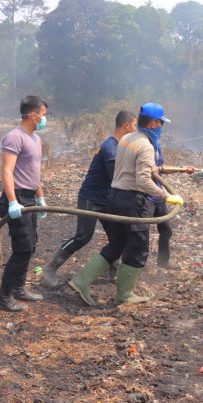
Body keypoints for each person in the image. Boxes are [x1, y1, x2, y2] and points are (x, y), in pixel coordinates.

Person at [69, 103, 184, 305]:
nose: (161, 128)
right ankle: (124, 294)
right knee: (139, 247)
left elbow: (137, 168)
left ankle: (81, 281)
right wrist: (166, 196)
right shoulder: (146, 146)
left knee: (118, 243)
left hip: (115, 197)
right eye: (161, 124)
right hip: (133, 201)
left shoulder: (127, 139)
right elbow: (144, 180)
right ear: (154, 123)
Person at [43, 110, 137, 287]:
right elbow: (117, 176)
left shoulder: (121, 146)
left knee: (117, 237)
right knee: (83, 237)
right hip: (91, 198)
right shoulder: (110, 147)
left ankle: (113, 269)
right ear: (126, 126)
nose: (135, 129)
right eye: (134, 125)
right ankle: (51, 267)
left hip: (108, 198)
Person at [0, 95, 48, 312]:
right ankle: (3, 297)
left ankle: (18, 288)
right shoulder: (14, 138)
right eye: (43, 115)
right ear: (33, 115)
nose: (45, 119)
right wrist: (13, 202)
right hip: (16, 198)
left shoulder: (36, 139)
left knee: (31, 245)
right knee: (22, 249)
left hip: (29, 197)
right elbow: (7, 171)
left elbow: (34, 172)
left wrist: (40, 196)